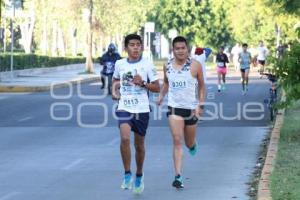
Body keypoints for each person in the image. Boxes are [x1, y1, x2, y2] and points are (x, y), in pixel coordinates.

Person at [112, 34, 160, 194]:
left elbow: (157, 87)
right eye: (132, 45)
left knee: (139, 146)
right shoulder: (119, 64)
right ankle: (127, 174)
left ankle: (139, 174)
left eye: (138, 45)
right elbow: (115, 81)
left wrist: (144, 83)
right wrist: (114, 92)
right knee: (125, 138)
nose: (135, 47)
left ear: (142, 47)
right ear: (126, 48)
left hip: (142, 109)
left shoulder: (147, 65)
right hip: (124, 107)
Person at [157, 36, 206, 189]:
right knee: (177, 140)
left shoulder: (195, 66)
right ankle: (178, 176)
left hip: (191, 109)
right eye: (177, 48)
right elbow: (166, 83)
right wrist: (161, 96)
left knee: (188, 142)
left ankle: (192, 145)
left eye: (183, 48)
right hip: (174, 108)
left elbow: (202, 86)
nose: (180, 51)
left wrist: (200, 105)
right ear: (173, 50)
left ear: (187, 49)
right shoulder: (167, 66)